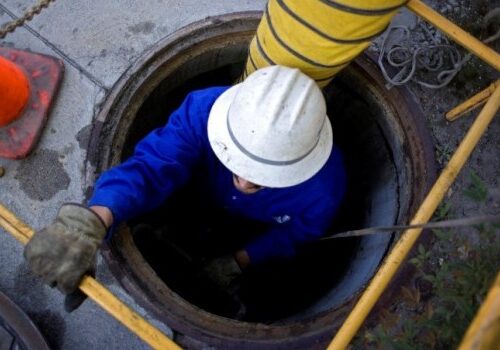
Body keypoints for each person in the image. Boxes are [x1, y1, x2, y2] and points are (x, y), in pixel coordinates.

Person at [24, 65, 346, 300]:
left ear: (300, 166)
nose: (244, 182)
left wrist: (241, 260)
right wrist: (93, 219)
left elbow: (296, 234)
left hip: (249, 226)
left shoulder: (323, 189)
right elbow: (153, 166)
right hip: (197, 194)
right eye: (238, 160)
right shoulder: (204, 111)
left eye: (263, 176)